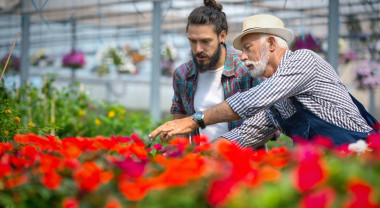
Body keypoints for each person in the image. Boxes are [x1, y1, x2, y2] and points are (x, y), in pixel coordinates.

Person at [150, 14, 378, 148]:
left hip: (360, 156)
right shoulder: (277, 104)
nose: (242, 57)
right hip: (333, 169)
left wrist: (196, 120)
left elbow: (253, 99)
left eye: (248, 49)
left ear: (271, 44)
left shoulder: (304, 60)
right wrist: (193, 158)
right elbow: (242, 135)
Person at [170, 0, 263, 144]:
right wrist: (180, 148)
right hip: (200, 159)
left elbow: (269, 122)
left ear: (222, 36)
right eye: (192, 41)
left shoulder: (246, 69)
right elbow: (179, 109)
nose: (198, 49)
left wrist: (220, 147)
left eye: (205, 41)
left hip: (244, 159)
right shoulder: (183, 74)